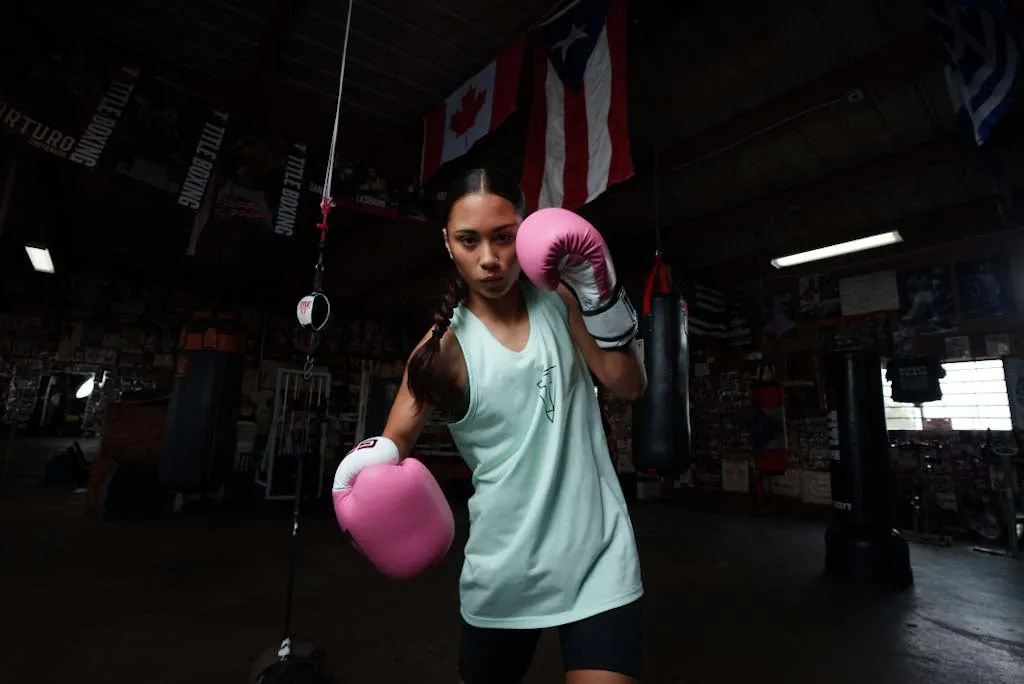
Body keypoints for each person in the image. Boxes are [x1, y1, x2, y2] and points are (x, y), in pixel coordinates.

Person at [336, 168, 647, 683]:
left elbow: (629, 385)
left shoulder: (562, 302)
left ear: (524, 232)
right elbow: (391, 446)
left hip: (599, 555)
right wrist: (356, 487)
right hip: (505, 569)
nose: (489, 258)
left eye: (504, 237)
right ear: (447, 243)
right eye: (468, 240)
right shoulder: (441, 352)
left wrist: (600, 292)